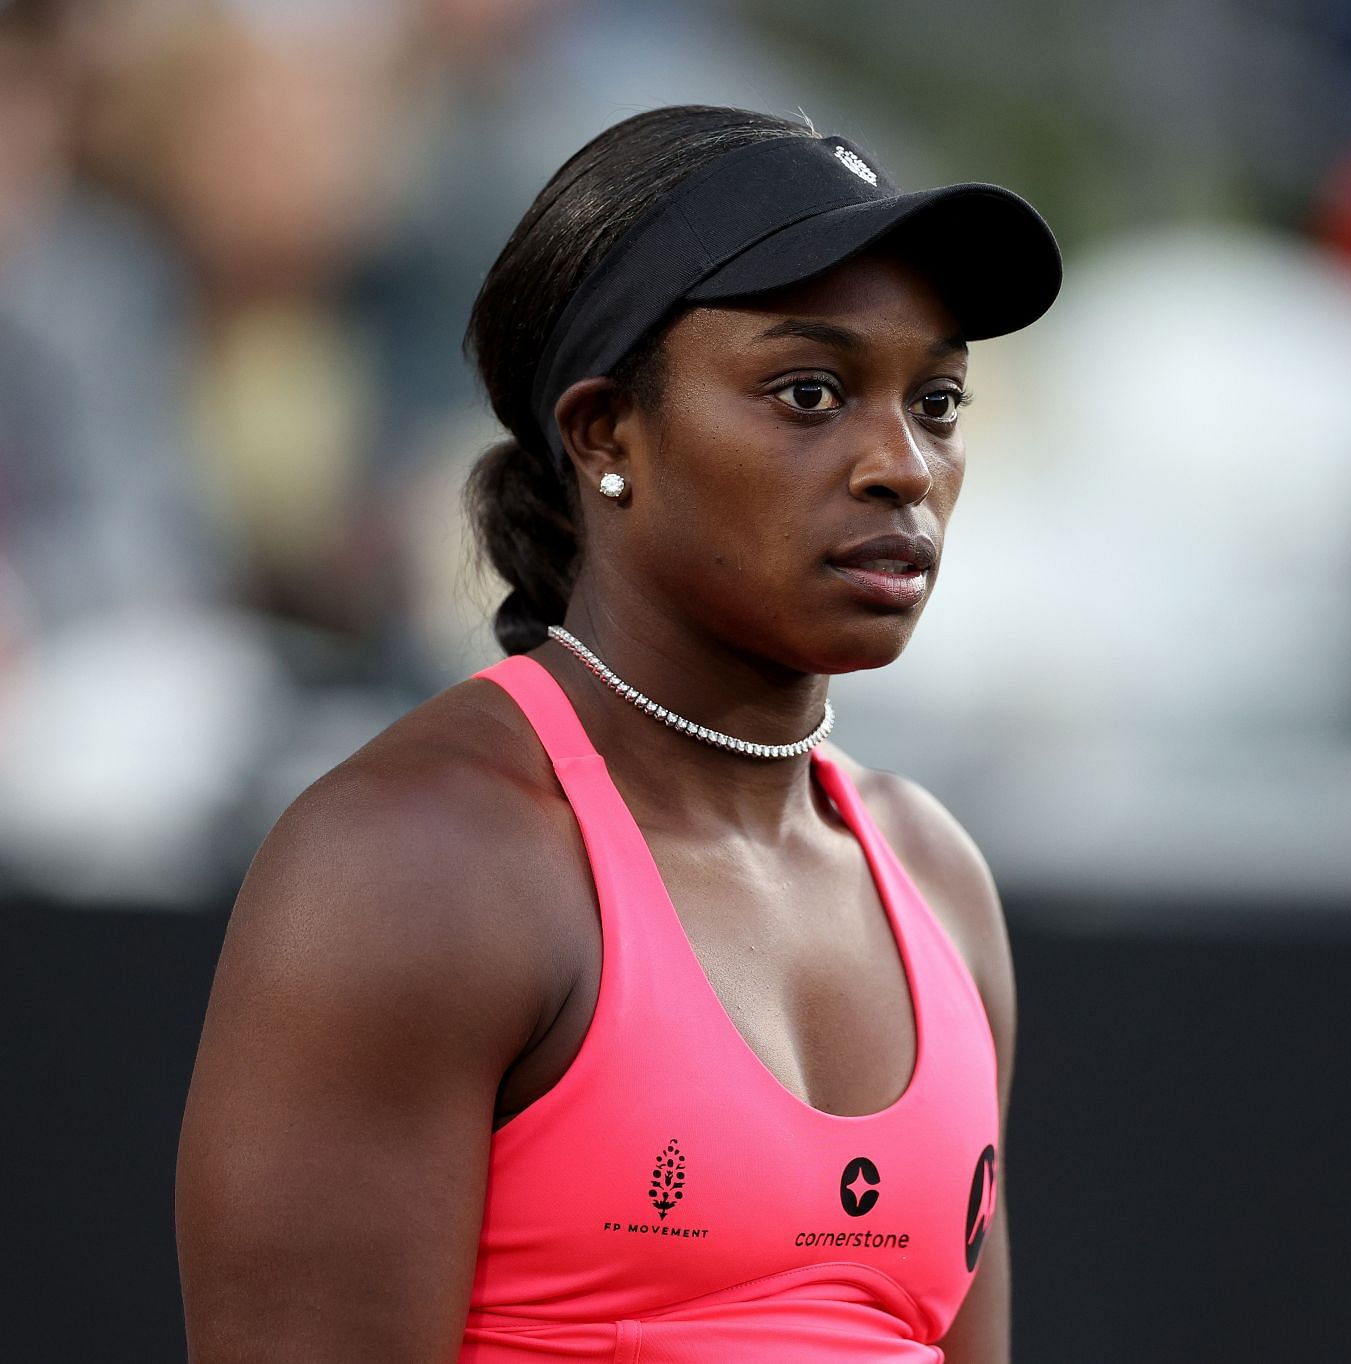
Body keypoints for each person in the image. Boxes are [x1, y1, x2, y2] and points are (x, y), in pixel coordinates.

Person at [176, 104, 1062, 1362]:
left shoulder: (935, 877)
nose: (902, 464)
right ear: (605, 433)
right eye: (809, 391)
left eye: (937, 400)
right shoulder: (413, 867)